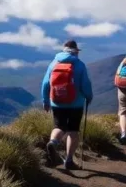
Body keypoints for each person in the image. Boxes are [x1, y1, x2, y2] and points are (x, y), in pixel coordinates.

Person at [40, 39, 93, 171]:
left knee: (59, 126)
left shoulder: (54, 63)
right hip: (76, 103)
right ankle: (69, 160)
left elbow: (46, 83)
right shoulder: (79, 65)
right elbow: (85, 85)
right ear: (76, 51)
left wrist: (45, 101)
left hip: (57, 102)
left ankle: (53, 142)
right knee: (73, 131)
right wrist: (89, 97)